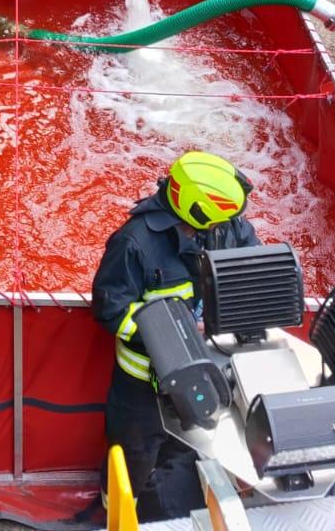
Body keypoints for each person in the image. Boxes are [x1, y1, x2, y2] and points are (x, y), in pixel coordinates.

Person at [90, 151, 258, 522]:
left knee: (199, 446)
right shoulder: (133, 244)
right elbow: (112, 311)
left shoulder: (228, 229)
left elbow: (250, 272)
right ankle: (115, 515)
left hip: (205, 370)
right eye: (222, 218)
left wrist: (229, 314)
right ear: (199, 212)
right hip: (142, 384)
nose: (231, 224)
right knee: (133, 455)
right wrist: (172, 334)